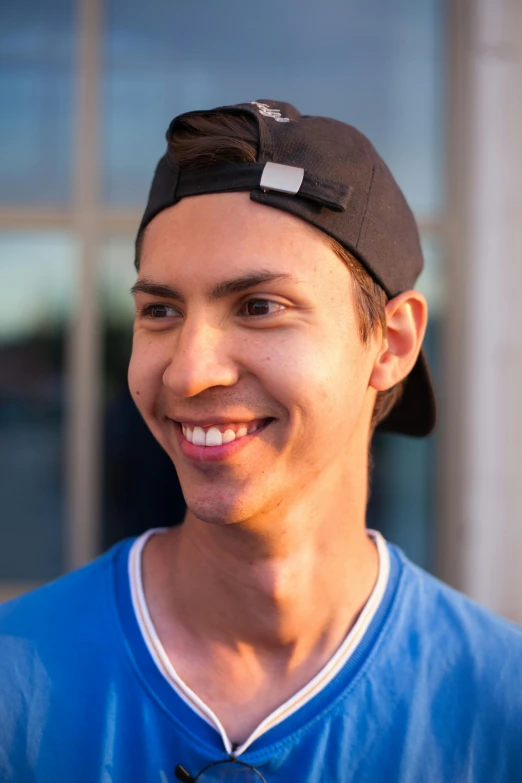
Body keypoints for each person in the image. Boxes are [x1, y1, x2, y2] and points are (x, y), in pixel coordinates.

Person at [0, 99, 521, 782]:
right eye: (160, 310)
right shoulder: (18, 683)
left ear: (391, 343)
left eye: (258, 306)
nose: (188, 371)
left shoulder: (500, 706)